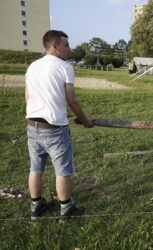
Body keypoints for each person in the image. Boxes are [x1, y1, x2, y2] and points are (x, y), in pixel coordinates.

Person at [25, 30, 94, 222]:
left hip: (32, 125)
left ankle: (36, 206)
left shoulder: (32, 66)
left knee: (35, 168)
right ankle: (66, 209)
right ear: (54, 46)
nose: (69, 49)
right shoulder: (65, 67)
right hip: (54, 128)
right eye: (66, 45)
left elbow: (27, 97)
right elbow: (72, 100)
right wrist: (86, 121)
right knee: (62, 171)